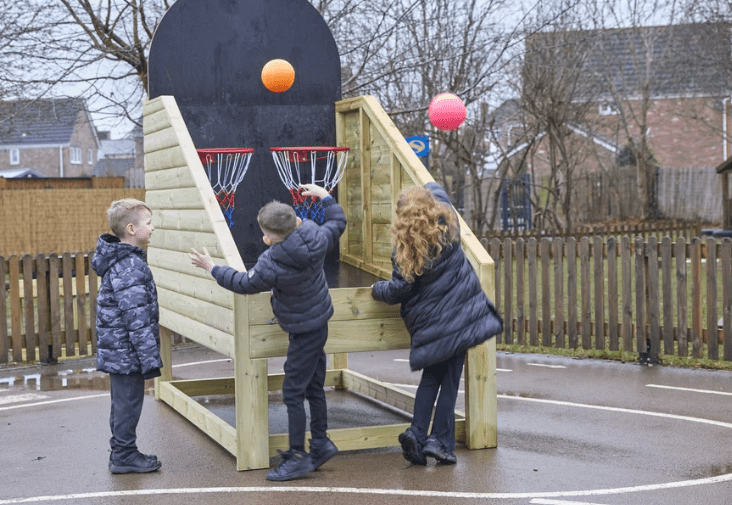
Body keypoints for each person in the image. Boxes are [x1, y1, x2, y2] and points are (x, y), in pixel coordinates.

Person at [188, 183, 345, 482]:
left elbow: (243, 283)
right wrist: (324, 196)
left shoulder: (271, 262)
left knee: (293, 392)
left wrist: (211, 268)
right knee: (313, 386)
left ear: (267, 237)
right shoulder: (316, 234)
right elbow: (338, 221)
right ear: (296, 219)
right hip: (319, 322)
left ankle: (297, 457)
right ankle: (321, 443)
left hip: (302, 331)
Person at [371, 183, 503, 466]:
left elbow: (399, 289)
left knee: (431, 378)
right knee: (450, 382)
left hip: (430, 324)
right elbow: (440, 194)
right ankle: (439, 442)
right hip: (459, 317)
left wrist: (376, 290)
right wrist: (427, 189)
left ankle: (417, 433)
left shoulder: (404, 247)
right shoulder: (449, 226)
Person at [91, 198, 163, 474]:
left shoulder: (123, 261)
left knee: (123, 402)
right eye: (148, 223)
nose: (153, 228)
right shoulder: (130, 266)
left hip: (121, 350)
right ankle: (124, 455)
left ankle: (122, 452)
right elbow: (137, 318)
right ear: (131, 229)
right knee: (128, 404)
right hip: (127, 352)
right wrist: (149, 359)